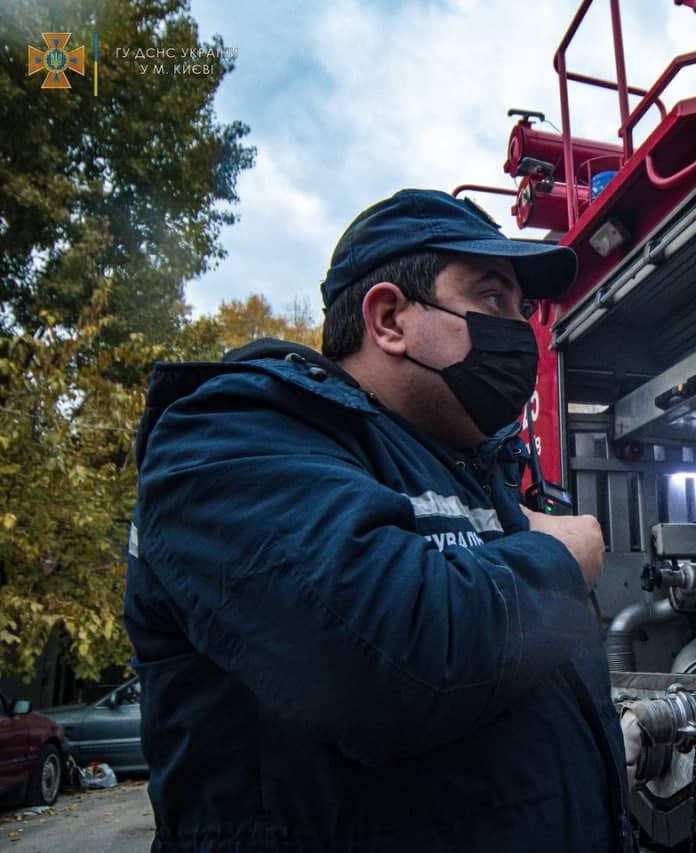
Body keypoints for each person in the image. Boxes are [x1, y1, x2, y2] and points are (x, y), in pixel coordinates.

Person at [124, 189, 634, 851]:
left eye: (523, 308)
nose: (519, 330)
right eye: (491, 300)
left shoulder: (472, 472)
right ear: (389, 317)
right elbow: (388, 654)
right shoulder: (227, 435)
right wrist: (559, 560)